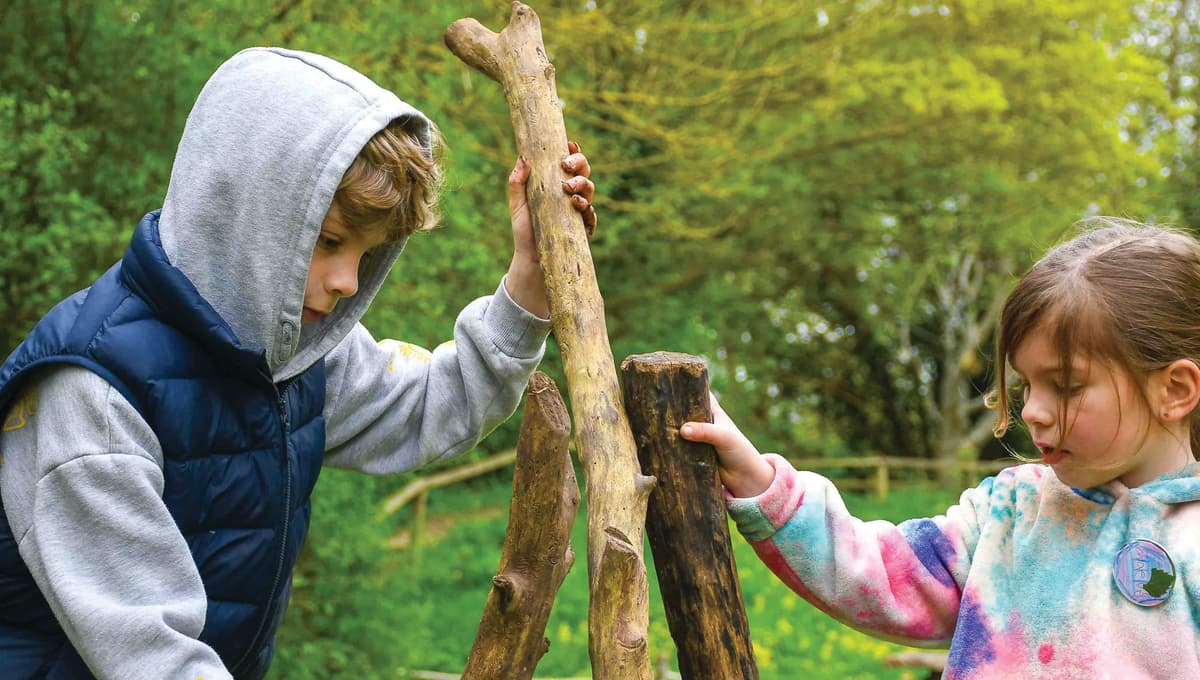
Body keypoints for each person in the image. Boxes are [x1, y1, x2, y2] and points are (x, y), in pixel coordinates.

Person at [0, 47, 596, 679]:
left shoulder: (290, 358)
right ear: (244, 211)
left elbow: (435, 403)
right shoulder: (92, 393)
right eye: (331, 241)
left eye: (366, 256)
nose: (346, 281)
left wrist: (529, 283)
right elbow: (156, 658)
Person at [680, 218, 1200, 678]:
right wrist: (758, 482)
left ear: (1173, 391)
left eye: (1065, 385)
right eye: (1026, 385)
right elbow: (875, 570)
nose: (1034, 411)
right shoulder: (1011, 514)